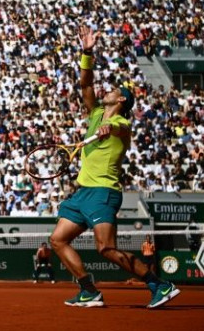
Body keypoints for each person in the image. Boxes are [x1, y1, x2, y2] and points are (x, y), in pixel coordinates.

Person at [49, 25, 179, 309]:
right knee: (57, 240)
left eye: (114, 90)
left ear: (121, 100)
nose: (107, 90)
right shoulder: (95, 112)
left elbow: (120, 130)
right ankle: (88, 290)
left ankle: (159, 285)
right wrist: (86, 52)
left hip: (103, 192)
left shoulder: (122, 123)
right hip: (81, 193)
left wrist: (111, 128)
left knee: (105, 248)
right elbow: (85, 84)